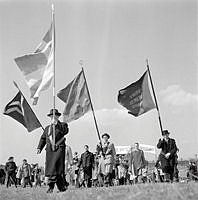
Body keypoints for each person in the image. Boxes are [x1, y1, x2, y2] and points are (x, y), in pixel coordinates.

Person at [37, 108, 69, 193]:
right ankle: (60, 187)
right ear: (50, 117)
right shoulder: (47, 128)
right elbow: (43, 138)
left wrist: (57, 124)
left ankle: (53, 187)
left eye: (55, 116)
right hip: (50, 150)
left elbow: (65, 131)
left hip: (59, 149)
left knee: (57, 168)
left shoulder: (63, 125)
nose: (53, 117)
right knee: (51, 169)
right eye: (52, 116)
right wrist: (39, 147)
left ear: (58, 116)